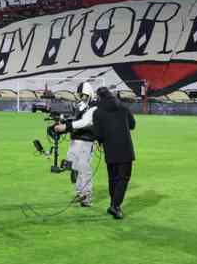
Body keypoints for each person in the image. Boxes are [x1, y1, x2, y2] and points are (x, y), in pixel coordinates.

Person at [90, 86, 136, 219]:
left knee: (113, 179)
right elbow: (132, 125)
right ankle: (115, 206)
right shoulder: (123, 107)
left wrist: (99, 141)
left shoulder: (97, 112)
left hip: (110, 149)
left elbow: (97, 133)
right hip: (126, 149)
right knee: (123, 178)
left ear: (99, 97)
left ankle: (113, 205)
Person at [52, 82, 98, 207]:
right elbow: (74, 122)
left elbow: (84, 122)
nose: (81, 98)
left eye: (84, 95)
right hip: (76, 140)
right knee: (75, 168)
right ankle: (80, 193)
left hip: (86, 141)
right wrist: (62, 124)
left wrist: (66, 126)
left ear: (89, 95)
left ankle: (86, 196)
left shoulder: (94, 108)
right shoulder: (80, 107)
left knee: (84, 168)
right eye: (80, 95)